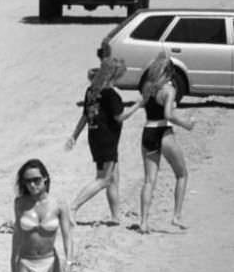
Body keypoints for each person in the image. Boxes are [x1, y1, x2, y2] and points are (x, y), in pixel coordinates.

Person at [121, 53, 195, 233]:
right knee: (182, 174)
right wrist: (187, 124)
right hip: (164, 132)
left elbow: (140, 104)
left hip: (148, 131)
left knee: (149, 180)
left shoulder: (147, 87)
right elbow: (169, 115)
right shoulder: (169, 90)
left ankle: (144, 222)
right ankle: (176, 216)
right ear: (169, 73)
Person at [66, 44, 131, 225]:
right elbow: (120, 117)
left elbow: (85, 115)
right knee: (103, 179)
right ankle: (73, 207)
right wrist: (138, 106)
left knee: (114, 177)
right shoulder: (111, 94)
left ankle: (116, 216)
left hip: (95, 136)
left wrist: (74, 136)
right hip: (107, 138)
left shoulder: (92, 91)